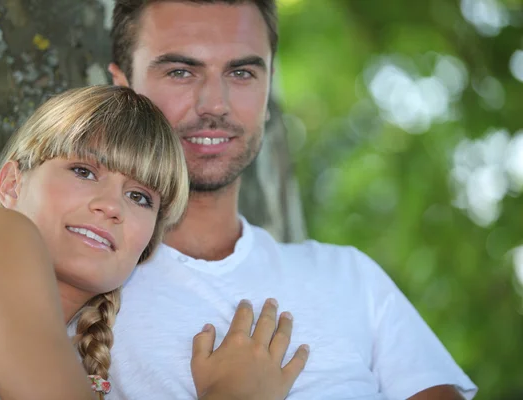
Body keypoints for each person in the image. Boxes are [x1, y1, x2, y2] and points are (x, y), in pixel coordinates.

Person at [104, 1, 479, 399]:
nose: (215, 104)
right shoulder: (78, 290)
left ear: (269, 89)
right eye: (180, 72)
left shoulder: (350, 278)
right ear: (121, 87)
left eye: (242, 72)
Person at [0, 85, 309, 400]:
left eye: (140, 197)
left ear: (147, 245)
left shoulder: (88, 369)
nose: (111, 206)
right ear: (11, 184)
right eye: (84, 171)